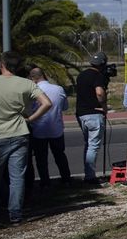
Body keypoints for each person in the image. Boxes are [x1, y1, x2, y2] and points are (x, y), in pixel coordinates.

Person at [0, 51, 52, 226]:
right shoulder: (26, 84)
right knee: (17, 177)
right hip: (19, 133)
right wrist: (31, 119)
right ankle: (15, 214)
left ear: (1, 64)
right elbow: (47, 103)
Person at [28, 67, 71, 187]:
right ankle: (66, 179)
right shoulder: (58, 89)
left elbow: (29, 109)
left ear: (33, 78)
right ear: (44, 75)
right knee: (60, 155)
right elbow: (65, 107)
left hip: (38, 129)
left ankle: (45, 182)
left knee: (41, 159)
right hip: (56, 128)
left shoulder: (32, 90)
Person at [75, 52, 108, 185]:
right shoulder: (97, 76)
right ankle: (90, 176)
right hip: (94, 112)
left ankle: (88, 172)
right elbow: (99, 92)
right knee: (93, 145)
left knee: (88, 144)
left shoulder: (81, 75)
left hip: (81, 113)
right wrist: (104, 105)